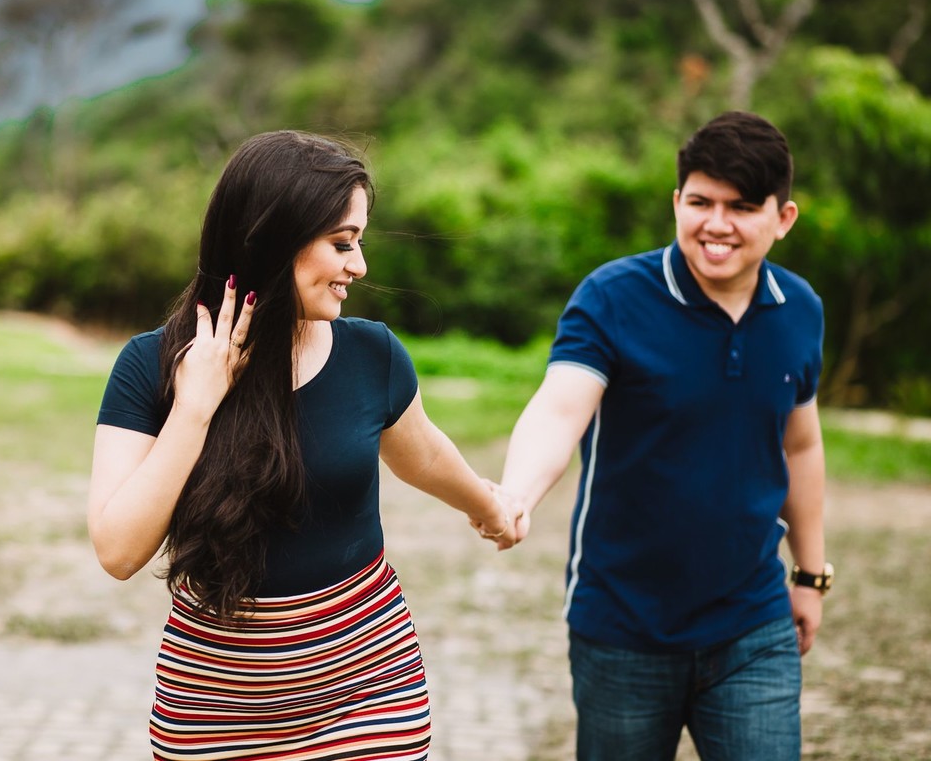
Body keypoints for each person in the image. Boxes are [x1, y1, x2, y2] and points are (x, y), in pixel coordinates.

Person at [88, 129, 523, 761]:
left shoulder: (372, 355)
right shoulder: (149, 365)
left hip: (369, 688)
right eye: (342, 244)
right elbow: (119, 551)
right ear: (272, 239)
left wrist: (488, 505)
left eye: (361, 243)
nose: (360, 267)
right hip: (215, 705)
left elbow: (423, 454)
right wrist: (195, 409)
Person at [499, 111, 829, 760]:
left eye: (741, 207)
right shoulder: (613, 297)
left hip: (752, 622)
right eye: (700, 202)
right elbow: (560, 408)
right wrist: (515, 495)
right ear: (676, 201)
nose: (716, 224)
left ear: (783, 218)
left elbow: (800, 444)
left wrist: (811, 575)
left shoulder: (800, 310)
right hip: (622, 624)